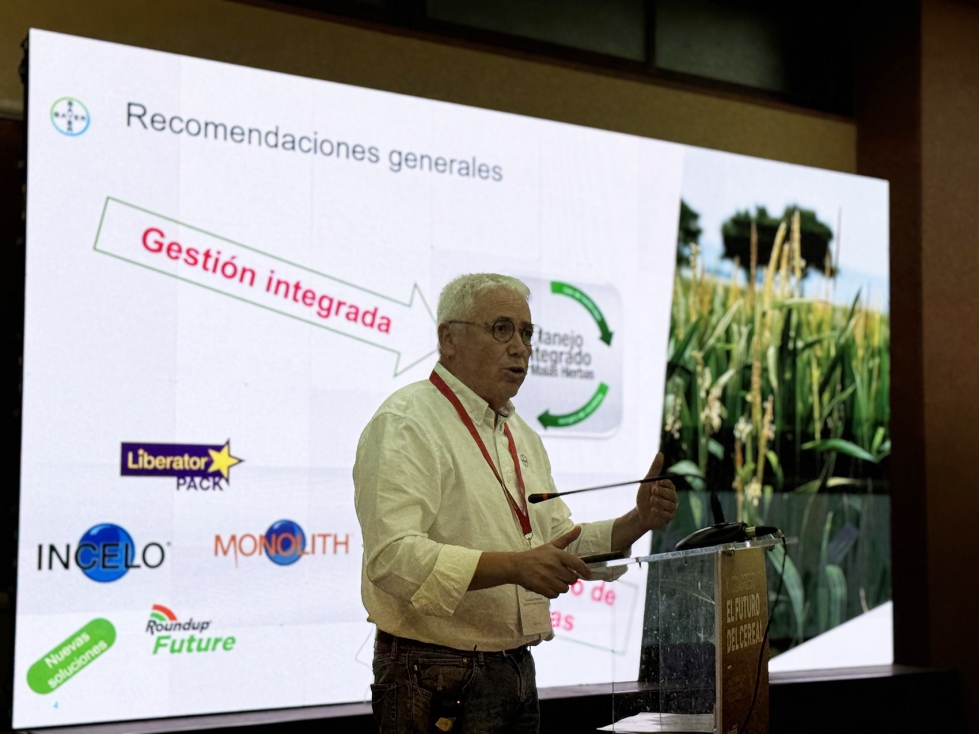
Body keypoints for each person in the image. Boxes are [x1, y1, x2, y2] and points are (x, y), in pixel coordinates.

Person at [354, 273, 678, 733]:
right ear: (448, 338)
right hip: (433, 674)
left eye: (527, 333)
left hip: (515, 670)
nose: (521, 347)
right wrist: (514, 567)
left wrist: (636, 521)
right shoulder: (407, 422)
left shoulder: (518, 432)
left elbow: (553, 541)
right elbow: (392, 557)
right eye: (501, 329)